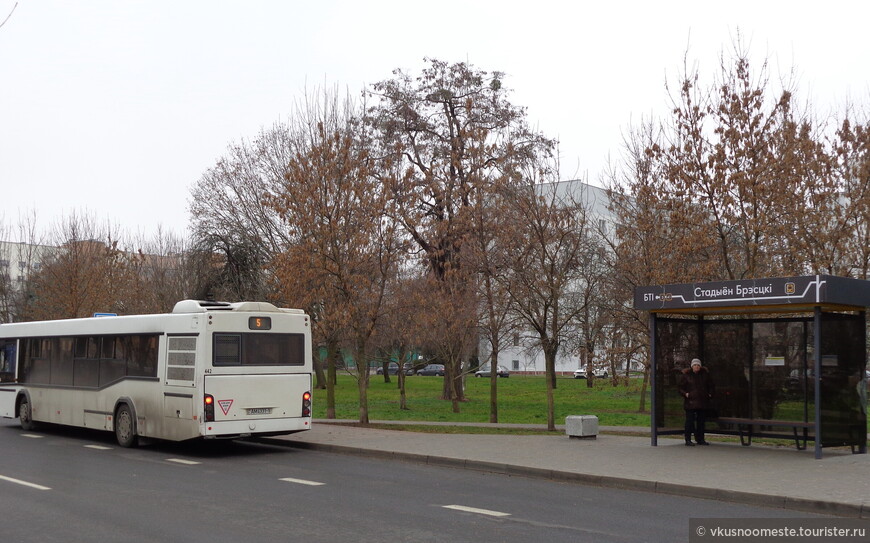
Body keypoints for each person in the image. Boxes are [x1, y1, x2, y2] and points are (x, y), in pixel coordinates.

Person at [678, 358, 715, 446]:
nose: (696, 366)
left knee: (701, 422)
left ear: (700, 366)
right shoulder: (686, 375)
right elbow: (680, 388)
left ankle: (700, 439)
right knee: (689, 421)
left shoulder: (705, 375)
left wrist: (710, 394)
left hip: (702, 402)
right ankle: (688, 439)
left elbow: (711, 386)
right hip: (690, 402)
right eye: (695, 365)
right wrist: (686, 394)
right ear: (692, 366)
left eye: (698, 365)